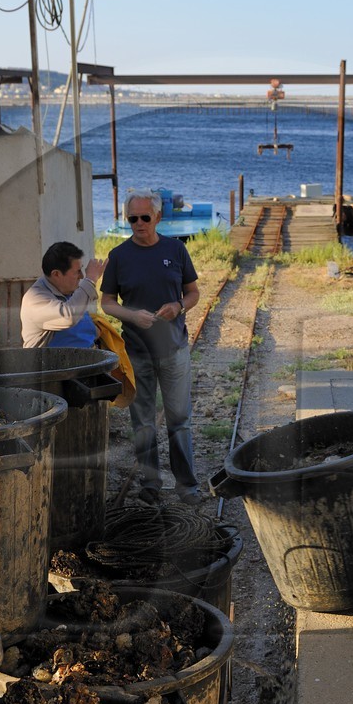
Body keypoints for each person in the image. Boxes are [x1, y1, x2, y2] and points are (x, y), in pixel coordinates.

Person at [100, 190, 203, 506]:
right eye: (133, 218)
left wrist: (178, 307)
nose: (139, 223)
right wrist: (132, 315)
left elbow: (193, 293)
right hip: (137, 353)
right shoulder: (118, 256)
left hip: (174, 351)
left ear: (158, 217)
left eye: (145, 217)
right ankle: (151, 485)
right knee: (143, 422)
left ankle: (187, 486)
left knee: (179, 420)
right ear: (126, 219)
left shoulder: (176, 249)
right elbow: (106, 303)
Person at [21, 240, 105, 349]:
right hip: (51, 364)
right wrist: (90, 281)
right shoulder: (34, 299)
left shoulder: (67, 290)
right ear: (56, 274)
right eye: (77, 272)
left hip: (83, 360)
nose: (82, 276)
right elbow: (68, 317)